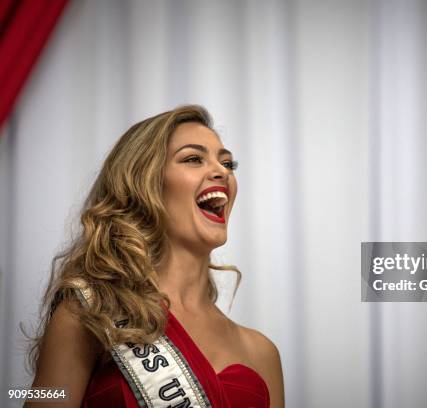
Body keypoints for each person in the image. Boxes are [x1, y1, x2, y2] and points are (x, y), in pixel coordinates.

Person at [25, 105, 284, 407]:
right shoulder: (91, 313)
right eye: (193, 159)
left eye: (229, 164)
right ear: (144, 184)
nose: (221, 172)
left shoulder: (262, 353)